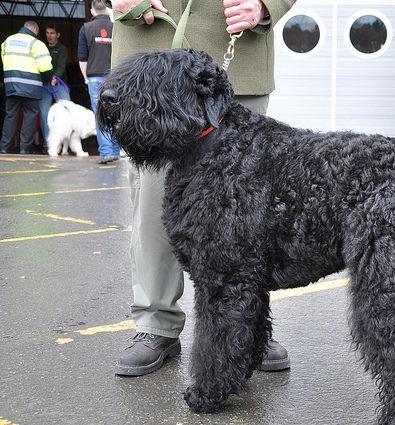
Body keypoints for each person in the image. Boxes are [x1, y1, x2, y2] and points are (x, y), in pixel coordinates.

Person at [110, 0, 295, 376]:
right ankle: (155, 323)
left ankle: (248, 326)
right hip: (147, 57)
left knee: (248, 212)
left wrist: (267, 5)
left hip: (236, 53)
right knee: (153, 207)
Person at [0, 21, 53, 154]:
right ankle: (25, 148)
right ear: (35, 30)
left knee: (11, 115)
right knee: (30, 116)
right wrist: (47, 79)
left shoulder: (8, 41)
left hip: (11, 84)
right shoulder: (37, 44)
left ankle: (4, 147)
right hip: (31, 87)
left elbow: (3, 60)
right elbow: (45, 67)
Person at [78, 0, 120, 164]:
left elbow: (82, 57)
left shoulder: (86, 28)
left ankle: (106, 153)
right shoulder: (114, 27)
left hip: (95, 77)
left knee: (100, 115)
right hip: (114, 76)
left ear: (92, 10)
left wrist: (85, 78)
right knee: (117, 113)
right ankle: (117, 151)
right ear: (106, 9)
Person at [39, 24, 71, 150]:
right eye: (47, 33)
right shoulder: (43, 48)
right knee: (44, 114)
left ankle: (66, 145)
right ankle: (48, 144)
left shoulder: (62, 49)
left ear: (58, 35)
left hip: (59, 84)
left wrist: (55, 77)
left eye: (52, 33)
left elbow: (61, 66)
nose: (49, 36)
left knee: (67, 110)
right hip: (44, 85)